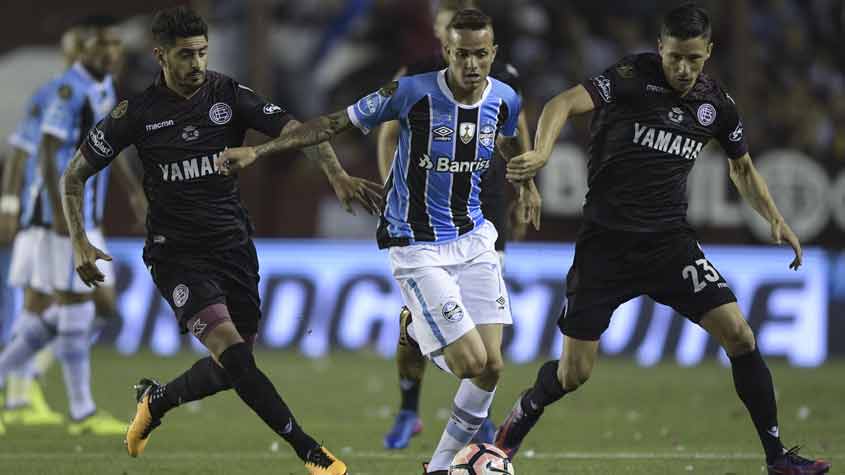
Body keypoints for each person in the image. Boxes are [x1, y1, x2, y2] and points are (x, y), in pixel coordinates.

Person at [494, 4, 831, 475]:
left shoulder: (717, 106)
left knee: (740, 334)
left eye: (694, 59)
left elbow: (743, 169)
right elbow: (562, 103)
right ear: (660, 48)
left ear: (708, 52)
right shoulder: (632, 77)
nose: (683, 69)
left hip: (669, 246)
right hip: (606, 247)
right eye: (675, 57)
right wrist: (541, 153)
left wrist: (775, 218)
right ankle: (509, 431)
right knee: (574, 374)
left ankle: (777, 458)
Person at [218, 9, 541, 475]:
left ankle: (441, 466)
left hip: (475, 238)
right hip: (416, 243)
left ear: (494, 54)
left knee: (492, 368)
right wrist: (259, 150)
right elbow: (330, 123)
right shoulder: (411, 92)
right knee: (472, 362)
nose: (471, 64)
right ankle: (417, 332)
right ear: (445, 52)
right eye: (461, 54)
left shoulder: (505, 97)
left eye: (480, 54)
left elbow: (508, 139)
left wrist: (526, 184)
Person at [60, 7, 381, 474]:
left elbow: (302, 132)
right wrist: (79, 242)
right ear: (160, 56)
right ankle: (312, 453)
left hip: (233, 247)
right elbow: (73, 175)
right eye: (185, 55)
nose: (196, 63)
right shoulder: (137, 113)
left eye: (202, 53)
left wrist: (336, 174)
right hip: (177, 255)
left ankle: (157, 400)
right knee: (233, 354)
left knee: (236, 364)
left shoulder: (228, 96)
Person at [376, 0, 532, 450]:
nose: (466, 56)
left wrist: (526, 188)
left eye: (476, 50)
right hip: (426, 222)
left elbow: (515, 128)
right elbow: (388, 129)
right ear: (442, 40)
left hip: (483, 211)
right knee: (450, 337)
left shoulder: (504, 83)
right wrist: (391, 185)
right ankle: (410, 407)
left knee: (485, 346)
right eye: (449, 38)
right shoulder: (418, 76)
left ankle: (470, 433)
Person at [0, 16, 134, 436]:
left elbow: (110, 147)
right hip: (61, 216)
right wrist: (27, 206)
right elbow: (36, 149)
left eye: (115, 45)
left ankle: (28, 389)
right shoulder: (62, 91)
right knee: (69, 306)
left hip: (84, 214)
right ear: (80, 50)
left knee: (78, 307)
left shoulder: (103, 88)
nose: (110, 53)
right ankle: (70, 408)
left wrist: (134, 191)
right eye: (100, 45)